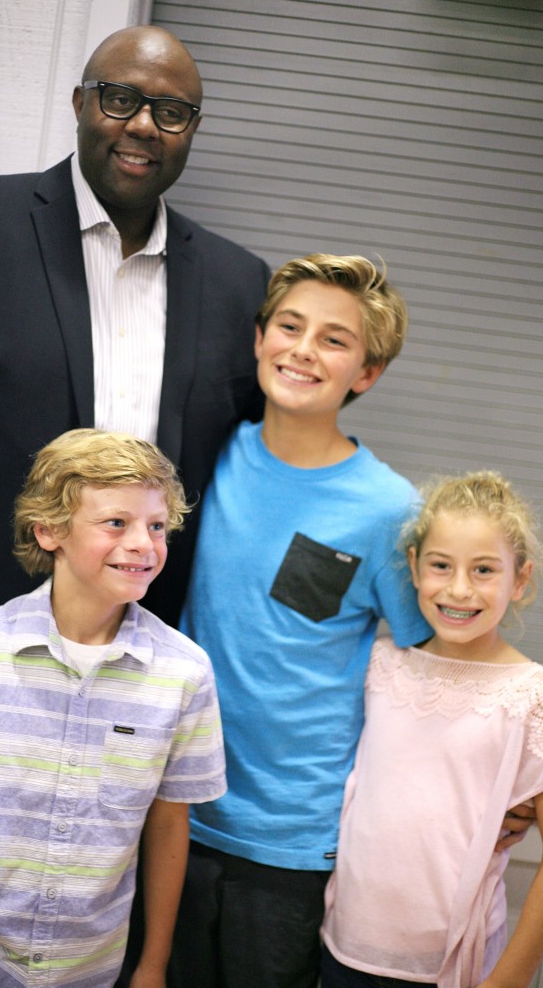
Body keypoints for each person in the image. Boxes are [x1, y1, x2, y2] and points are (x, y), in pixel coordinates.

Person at [0, 24, 270, 823]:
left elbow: (258, 484)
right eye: (119, 98)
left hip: (127, 694)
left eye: (171, 111)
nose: (141, 125)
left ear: (192, 130)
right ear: (80, 104)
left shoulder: (237, 284)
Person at [165, 253, 432, 988]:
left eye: (334, 339)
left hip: (290, 839)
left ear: (366, 373)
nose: (303, 349)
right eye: (289, 326)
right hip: (170, 810)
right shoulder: (206, 454)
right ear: (258, 337)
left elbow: (431, 668)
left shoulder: (388, 511)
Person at [0, 428, 227, 988]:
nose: (143, 542)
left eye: (157, 526)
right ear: (50, 531)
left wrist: (154, 966)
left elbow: (168, 824)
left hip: (89, 966)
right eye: (116, 522)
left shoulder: (185, 673)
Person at [321, 471, 543, 988]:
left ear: (520, 580)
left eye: (483, 570)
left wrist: (511, 978)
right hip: (343, 949)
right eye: (440, 565)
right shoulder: (379, 665)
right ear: (413, 567)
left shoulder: (534, 695)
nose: (458, 589)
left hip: (452, 967)